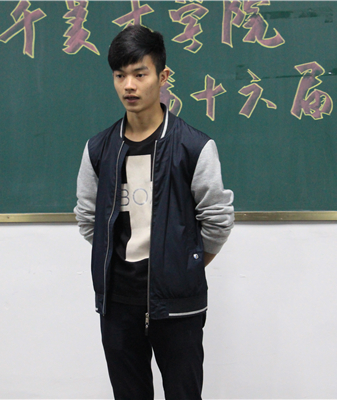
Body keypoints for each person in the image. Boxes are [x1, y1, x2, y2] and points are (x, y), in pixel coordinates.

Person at [74, 25, 234, 400]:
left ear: (162, 77)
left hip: (177, 306)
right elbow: (88, 219)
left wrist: (182, 266)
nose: (129, 85)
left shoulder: (194, 146)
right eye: (120, 75)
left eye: (140, 74)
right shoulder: (99, 149)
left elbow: (217, 221)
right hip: (117, 304)